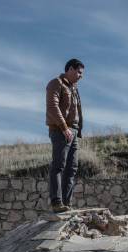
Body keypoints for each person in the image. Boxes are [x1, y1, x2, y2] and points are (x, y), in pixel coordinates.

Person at [46, 58, 84, 213]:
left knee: (72, 168)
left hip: (74, 131)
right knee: (59, 165)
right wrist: (64, 128)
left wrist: (77, 130)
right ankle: (56, 202)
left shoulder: (74, 87)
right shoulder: (56, 83)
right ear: (70, 69)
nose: (81, 76)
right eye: (79, 72)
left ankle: (66, 203)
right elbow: (52, 106)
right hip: (61, 130)